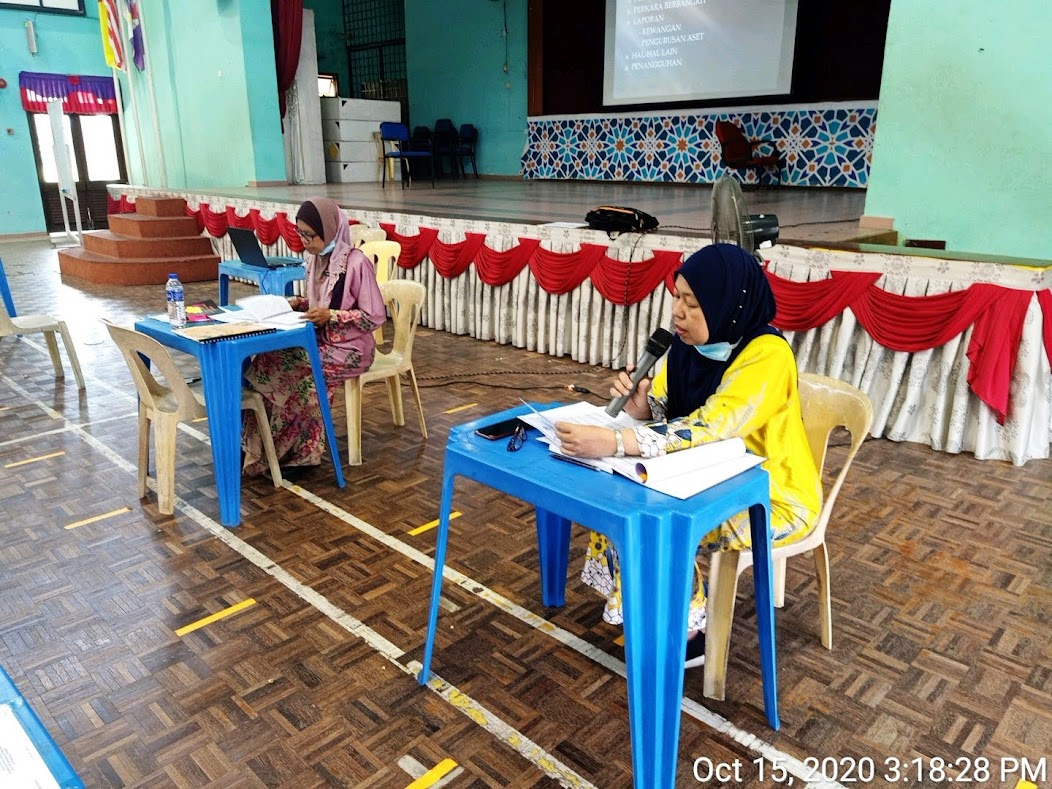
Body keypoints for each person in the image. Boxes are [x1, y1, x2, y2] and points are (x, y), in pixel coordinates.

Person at [554, 243, 821, 667]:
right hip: (706, 476)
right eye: (676, 298)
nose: (678, 313)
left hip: (771, 495)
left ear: (727, 305)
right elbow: (666, 410)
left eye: (692, 304)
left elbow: (710, 427)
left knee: (663, 527)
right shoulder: (687, 345)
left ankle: (689, 634)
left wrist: (615, 443)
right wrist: (642, 408)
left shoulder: (767, 355)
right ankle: (658, 604)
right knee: (623, 510)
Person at [242, 198, 387, 474]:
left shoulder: (356, 262)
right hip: (319, 339)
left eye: (310, 235)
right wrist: (299, 303)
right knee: (268, 361)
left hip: (351, 348)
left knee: (306, 381)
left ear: (329, 230)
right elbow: (319, 302)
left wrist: (331, 316)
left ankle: (303, 453)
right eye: (300, 234)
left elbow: (374, 316)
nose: (304, 241)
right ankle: (262, 447)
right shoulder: (315, 260)